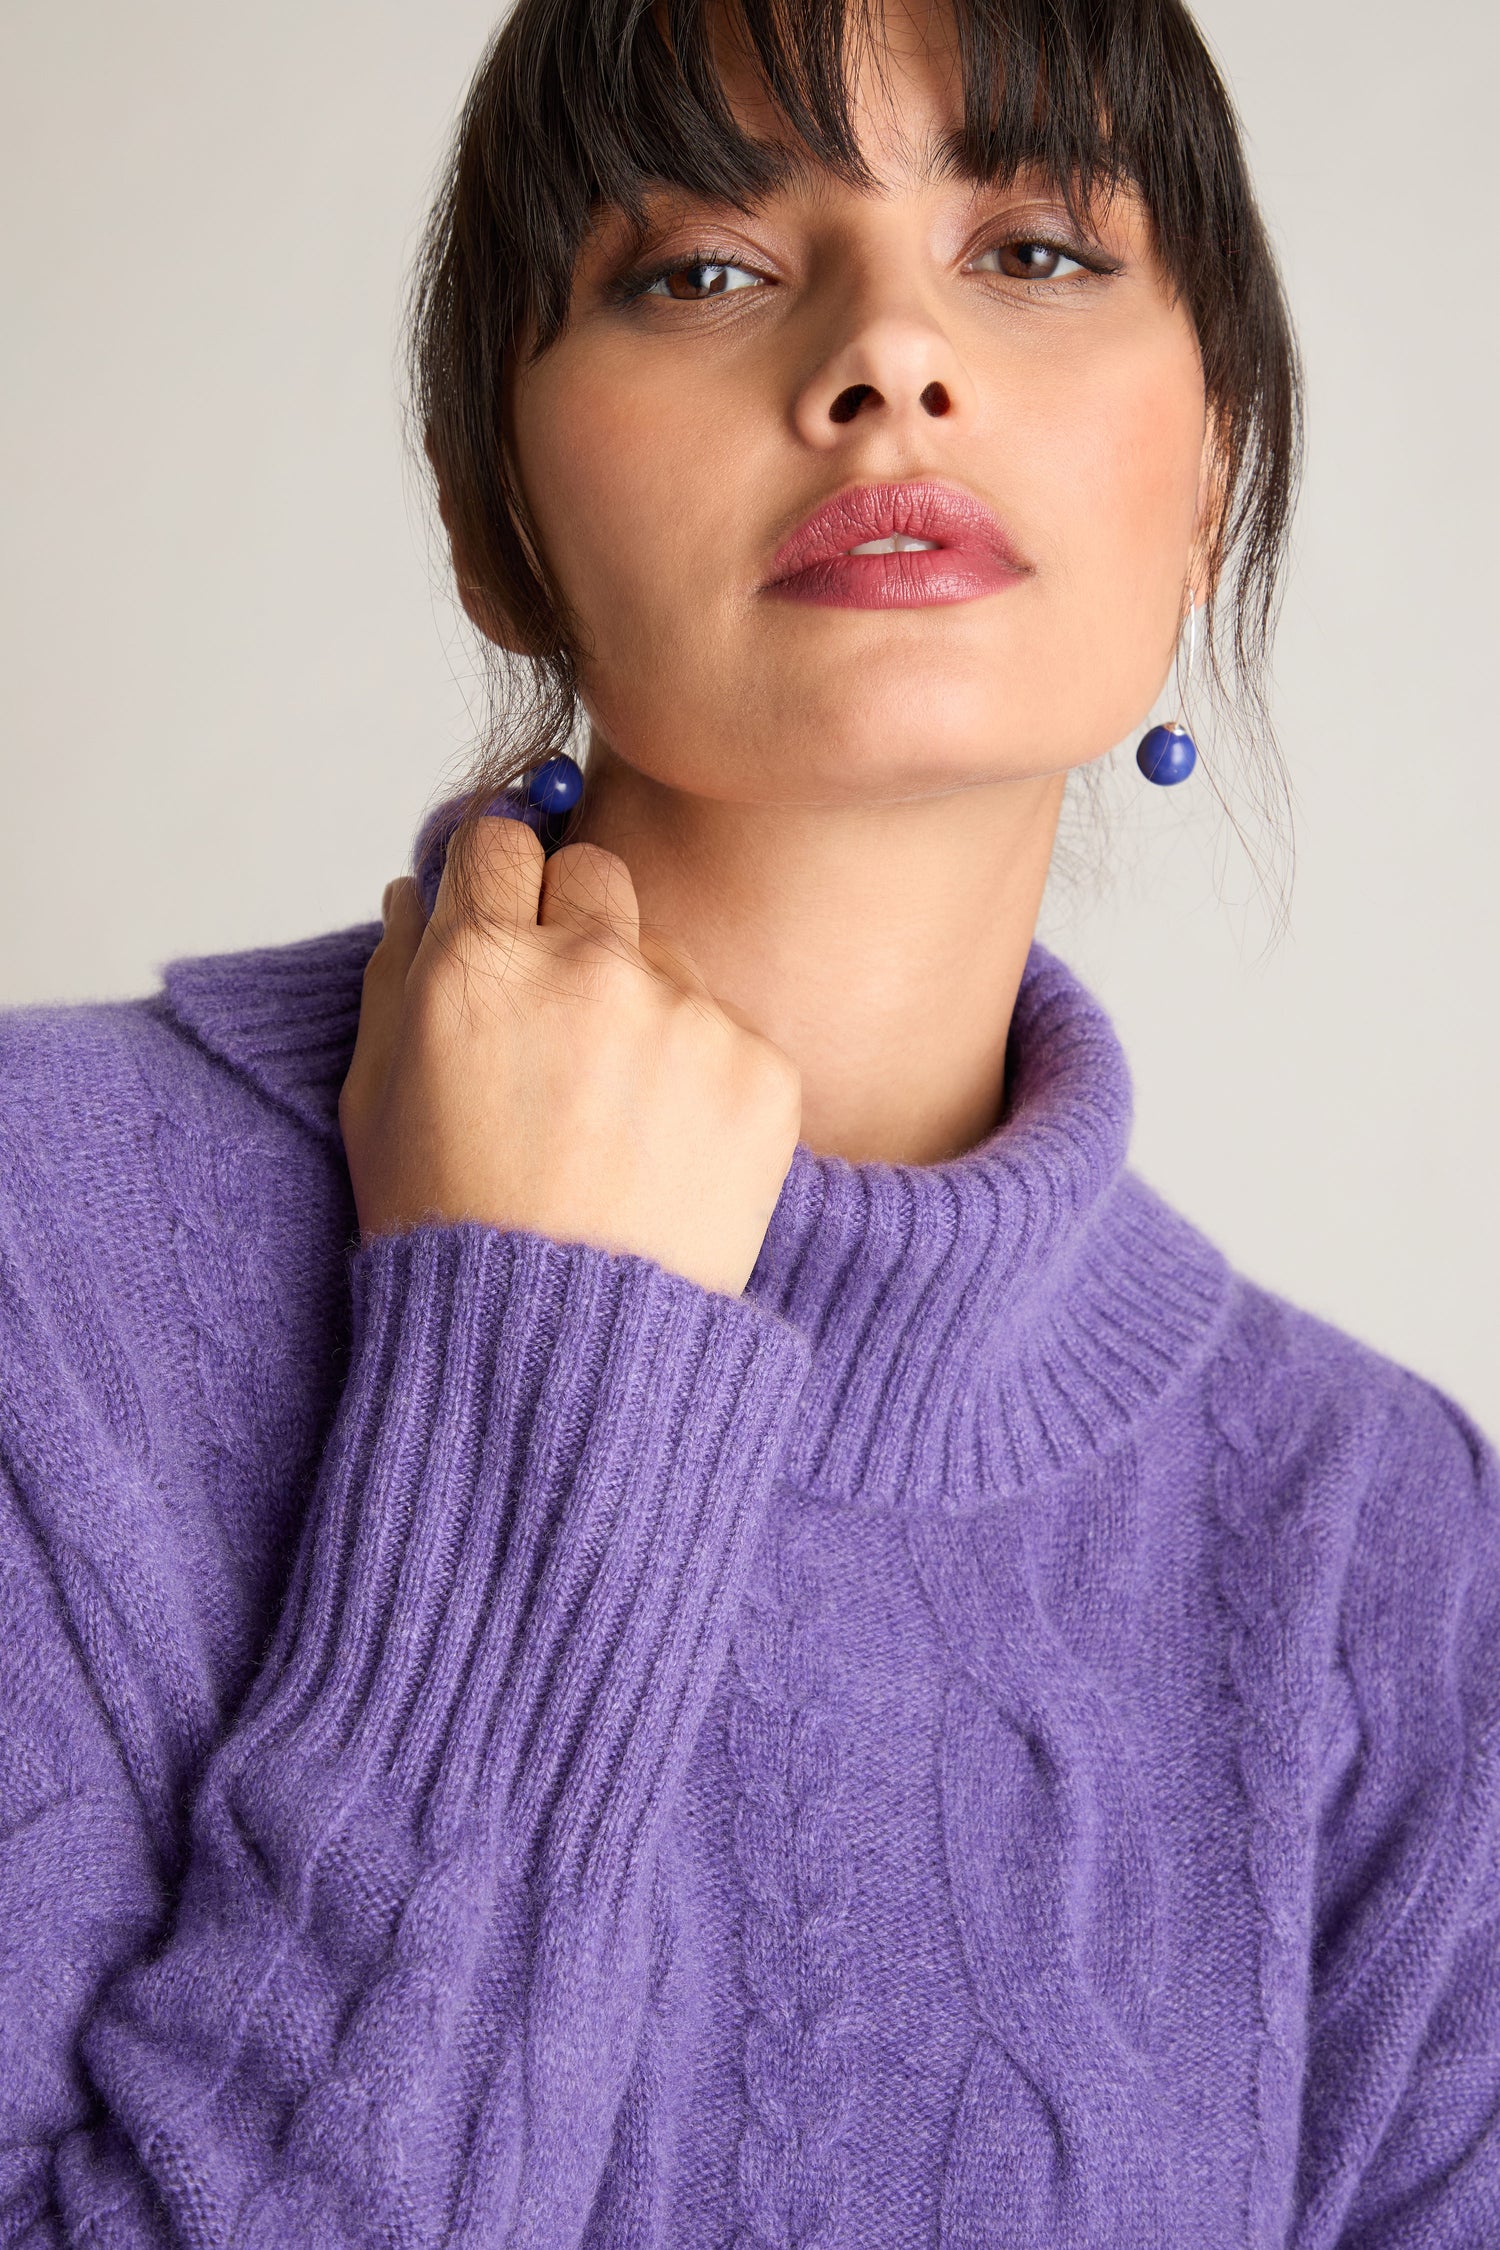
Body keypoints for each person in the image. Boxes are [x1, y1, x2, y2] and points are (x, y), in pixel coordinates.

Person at [1, 0, 1496, 2240]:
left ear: (1213, 475)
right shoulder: (37, 1255)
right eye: (699, 266)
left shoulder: (1383, 1541)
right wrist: (542, 1355)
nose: (889, 355)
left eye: (1039, 252)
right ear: (492, 519)